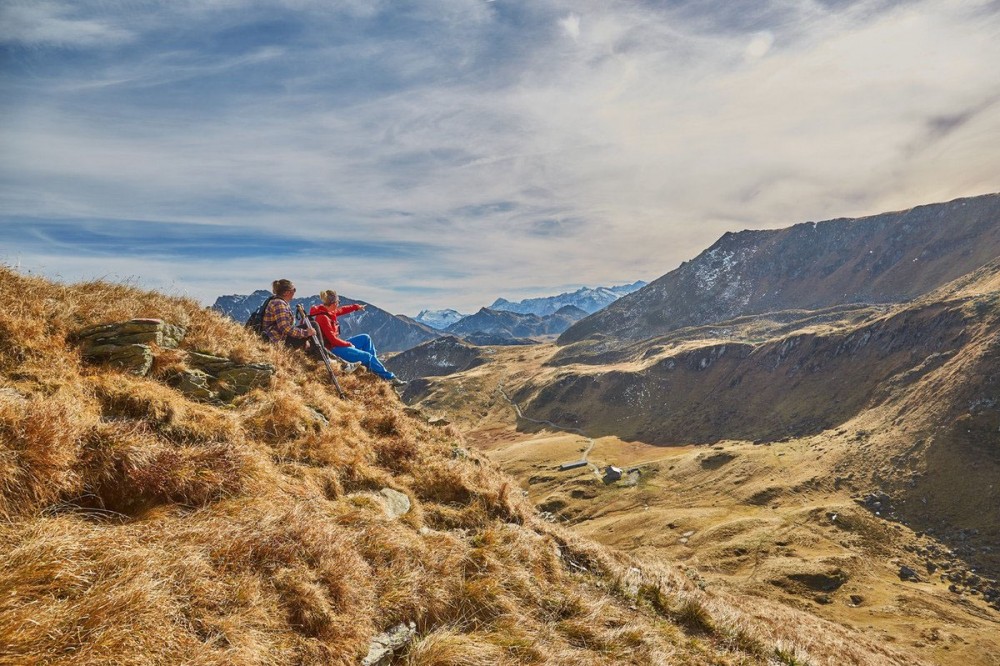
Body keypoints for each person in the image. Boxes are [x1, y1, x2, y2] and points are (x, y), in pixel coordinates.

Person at [309, 290, 406, 386]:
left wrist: (356, 307)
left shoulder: (328, 311)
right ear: (334, 303)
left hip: (336, 345)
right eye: (338, 302)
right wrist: (348, 344)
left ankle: (372, 369)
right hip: (332, 349)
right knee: (367, 357)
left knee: (365, 338)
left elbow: (342, 310)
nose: (338, 304)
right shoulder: (323, 318)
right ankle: (389, 378)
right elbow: (332, 340)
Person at [262, 279, 315, 350]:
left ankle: (322, 356)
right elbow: (284, 327)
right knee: (313, 325)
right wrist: (306, 333)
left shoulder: (280, 302)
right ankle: (321, 358)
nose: (295, 292)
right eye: (294, 290)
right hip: (280, 342)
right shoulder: (279, 304)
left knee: (311, 327)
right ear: (286, 292)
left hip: (282, 338)